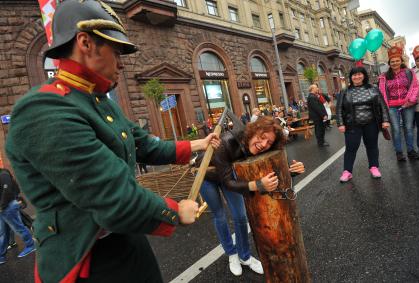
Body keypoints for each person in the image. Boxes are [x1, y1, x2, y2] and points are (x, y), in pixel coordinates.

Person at [5, 1, 220, 282]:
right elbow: (113, 197)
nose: (121, 62)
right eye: (116, 50)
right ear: (85, 42)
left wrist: (198, 144)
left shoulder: (98, 102)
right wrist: (176, 211)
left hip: (124, 240)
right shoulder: (44, 110)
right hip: (87, 258)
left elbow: (143, 144)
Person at [199, 116, 305, 276]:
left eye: (269, 142)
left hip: (229, 173)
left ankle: (244, 256)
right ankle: (231, 253)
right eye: (262, 137)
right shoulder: (226, 142)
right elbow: (228, 183)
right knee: (219, 215)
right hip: (207, 175)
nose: (263, 144)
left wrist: (290, 171)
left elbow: (271, 168)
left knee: (240, 216)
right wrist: (257, 185)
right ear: (253, 131)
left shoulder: (264, 147)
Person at [336, 66, 390, 182]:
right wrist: (340, 123)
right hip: (352, 124)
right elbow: (339, 108)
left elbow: (382, 105)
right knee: (351, 148)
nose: (357, 76)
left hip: (371, 123)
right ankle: (347, 171)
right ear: (351, 77)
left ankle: (374, 167)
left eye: (359, 74)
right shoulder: (345, 91)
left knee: (372, 146)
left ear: (364, 75)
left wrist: (385, 120)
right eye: (354, 75)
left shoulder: (374, 88)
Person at [378, 46, 419, 161]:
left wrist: (411, 100)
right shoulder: (384, 76)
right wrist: (384, 107)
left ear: (401, 61)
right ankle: (399, 152)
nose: (395, 63)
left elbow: (415, 86)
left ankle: (411, 151)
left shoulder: (409, 72)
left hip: (408, 105)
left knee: (408, 128)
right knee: (396, 129)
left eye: (397, 60)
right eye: (392, 61)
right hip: (392, 106)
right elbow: (382, 92)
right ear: (389, 63)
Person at [0, 168, 36, 265]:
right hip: (4, 208)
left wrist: (1, 206)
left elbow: (7, 191)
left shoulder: (3, 174)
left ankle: (30, 245)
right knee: (3, 232)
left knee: (18, 228)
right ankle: (1, 256)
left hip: (7, 207)